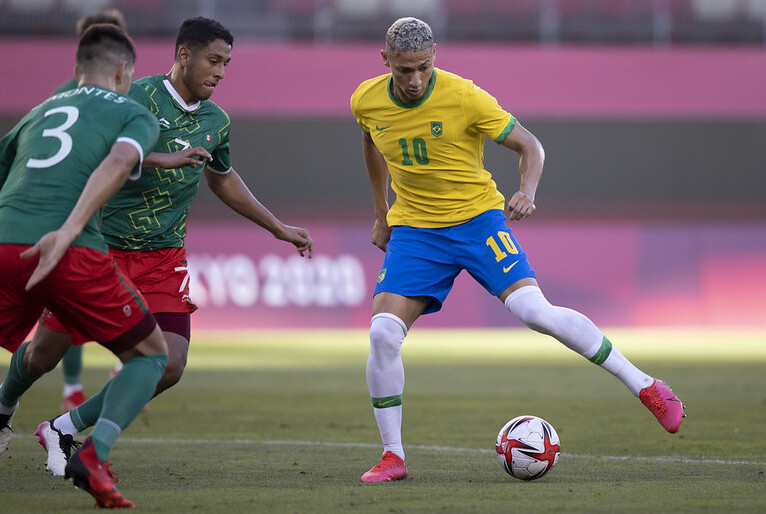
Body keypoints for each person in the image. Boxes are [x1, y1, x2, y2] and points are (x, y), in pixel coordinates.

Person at [350, 17, 686, 483]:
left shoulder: (464, 95)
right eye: (404, 70)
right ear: (385, 61)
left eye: (423, 68)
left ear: (435, 58)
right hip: (417, 231)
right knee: (383, 335)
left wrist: (527, 189)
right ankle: (393, 456)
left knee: (535, 312)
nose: (415, 80)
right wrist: (380, 212)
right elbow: (372, 144)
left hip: (476, 222)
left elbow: (530, 144)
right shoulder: (365, 100)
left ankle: (647, 386)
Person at [28, 16, 313, 477]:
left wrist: (277, 227)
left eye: (227, 63)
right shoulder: (134, 97)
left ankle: (63, 427)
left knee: (170, 364)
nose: (220, 72)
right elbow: (97, 155)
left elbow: (222, 178)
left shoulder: (216, 121)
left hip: (163, 256)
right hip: (103, 248)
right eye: (213, 60)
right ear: (184, 55)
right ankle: (5, 407)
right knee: (42, 355)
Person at [0, 24, 168, 508]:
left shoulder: (37, 113)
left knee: (38, 350)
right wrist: (70, 228)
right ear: (123, 72)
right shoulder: (136, 113)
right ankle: (92, 455)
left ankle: (4, 408)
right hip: (71, 252)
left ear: (76, 72)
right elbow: (117, 164)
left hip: (6, 243)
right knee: (151, 356)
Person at [51, 8, 129, 413]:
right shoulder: (101, 98)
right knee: (68, 314)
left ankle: (121, 369)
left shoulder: (62, 95)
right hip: (79, 219)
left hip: (114, 217)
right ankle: (73, 388)